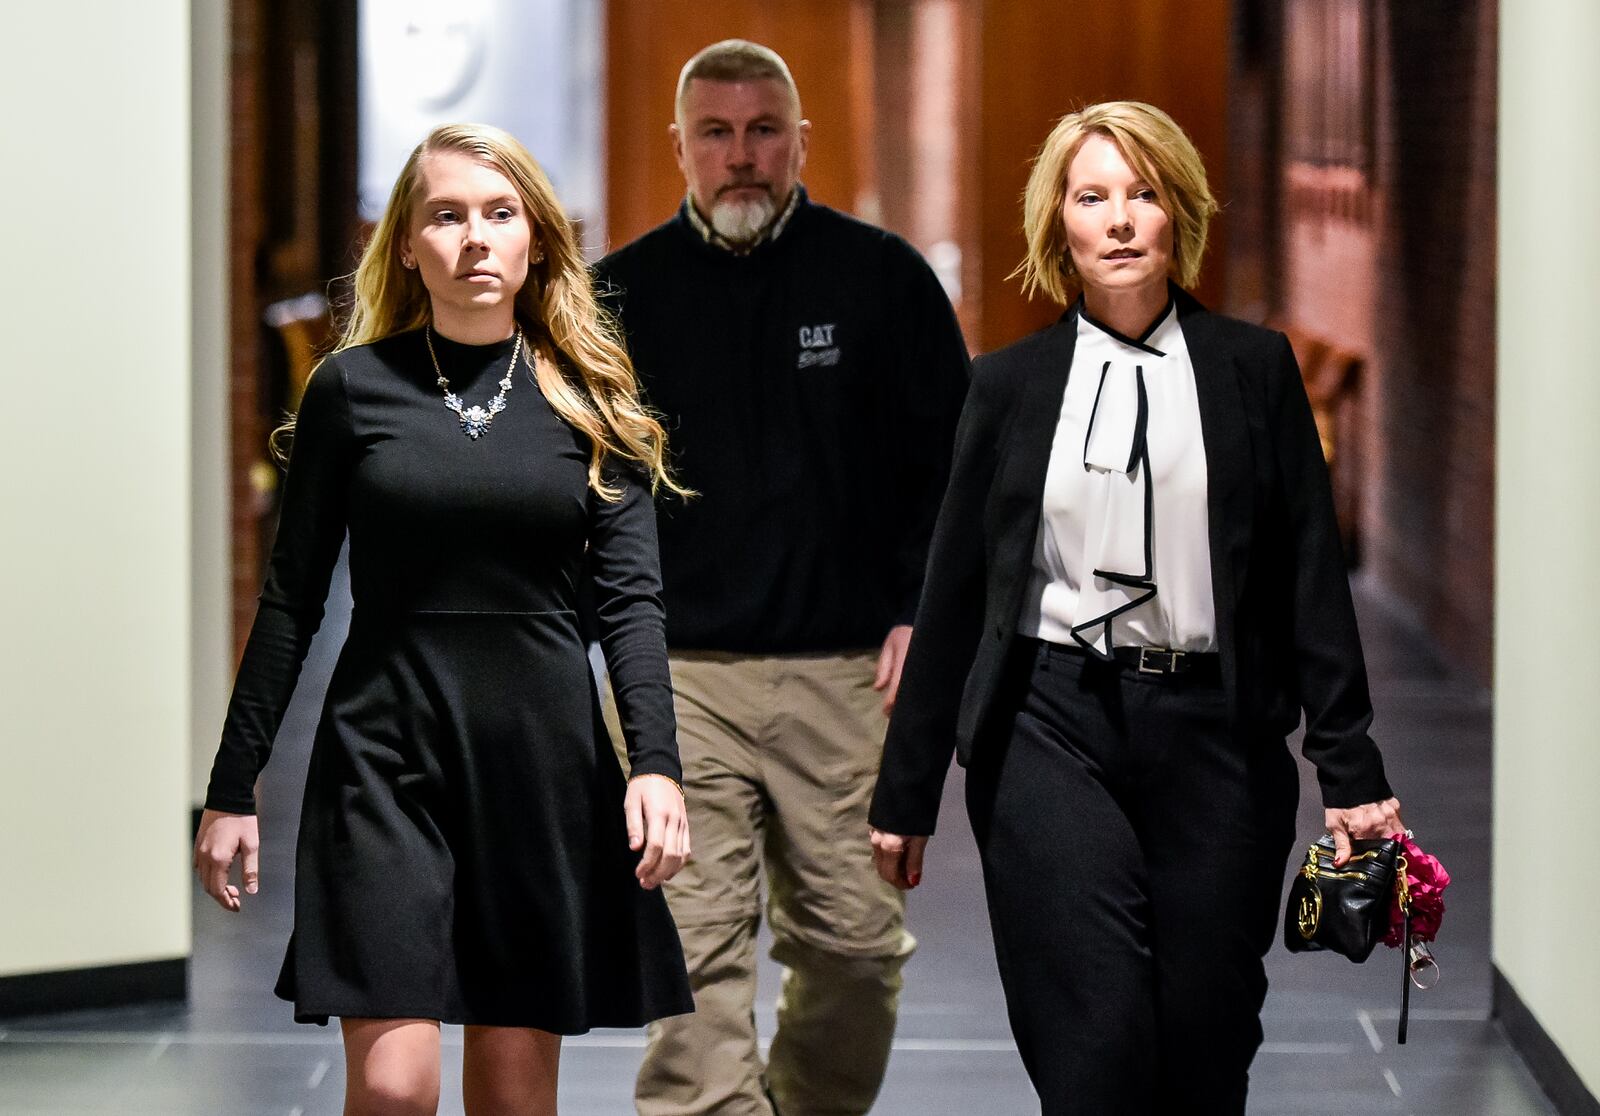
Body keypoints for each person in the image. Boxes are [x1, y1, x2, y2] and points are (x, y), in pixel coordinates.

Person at [867, 101, 1407, 1114]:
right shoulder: (1008, 388)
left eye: (1143, 195)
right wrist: (905, 791)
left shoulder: (1253, 372)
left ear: (1179, 217)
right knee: (1094, 1049)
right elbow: (952, 597)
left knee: (1203, 1047)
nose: (1119, 219)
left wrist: (1352, 768)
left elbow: (1309, 580)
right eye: (1092, 196)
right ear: (1057, 225)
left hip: (1217, 736)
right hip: (1049, 727)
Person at [191, 122, 694, 1116]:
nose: (474, 236)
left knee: (512, 1098)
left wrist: (655, 764)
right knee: (395, 1086)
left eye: (499, 213)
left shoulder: (591, 398)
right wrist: (230, 785)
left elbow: (631, 601)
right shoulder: (351, 391)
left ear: (536, 240)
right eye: (447, 214)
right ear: (409, 244)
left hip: (539, 767)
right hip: (383, 757)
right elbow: (291, 596)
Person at [593, 39, 969, 1116]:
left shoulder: (882, 279)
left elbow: (952, 471)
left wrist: (917, 611)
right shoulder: (619, 295)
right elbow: (585, 492)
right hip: (677, 683)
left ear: (802, 140)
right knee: (694, 971)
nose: (742, 156)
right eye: (716, 133)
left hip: (847, 673)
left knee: (853, 951)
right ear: (680, 148)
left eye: (765, 131)